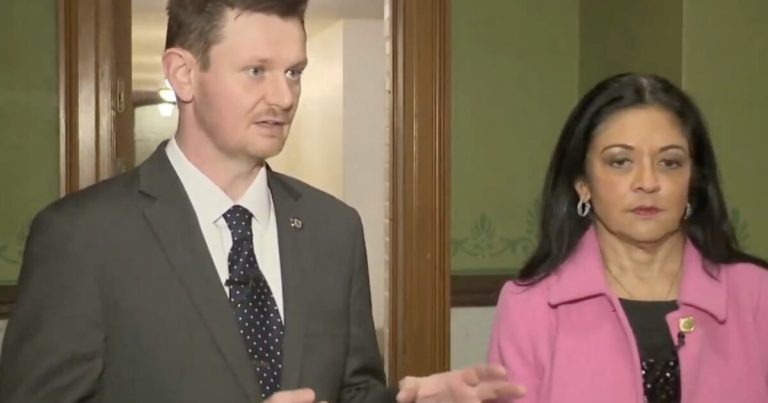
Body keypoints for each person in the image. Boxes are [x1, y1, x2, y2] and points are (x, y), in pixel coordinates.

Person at [0, 1, 523, 402]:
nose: (284, 97)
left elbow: (350, 392)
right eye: (257, 71)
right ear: (183, 74)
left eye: (294, 72)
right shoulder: (83, 238)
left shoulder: (334, 230)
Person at [488, 73, 768, 403]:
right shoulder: (530, 307)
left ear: (692, 181)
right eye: (620, 162)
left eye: (669, 162)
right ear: (583, 184)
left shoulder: (755, 296)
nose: (648, 182)